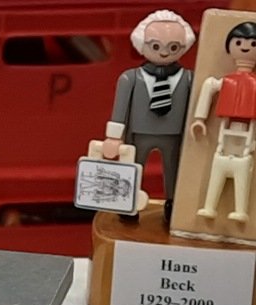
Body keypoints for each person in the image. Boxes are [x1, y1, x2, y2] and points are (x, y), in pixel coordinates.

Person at [101, 10, 196, 223]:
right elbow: (120, 108)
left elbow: (195, 107)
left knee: (174, 171)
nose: (164, 52)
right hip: (138, 134)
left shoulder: (189, 79)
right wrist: (114, 136)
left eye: (173, 47)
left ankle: (173, 204)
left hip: (174, 135)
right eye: (155, 46)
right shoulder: (130, 78)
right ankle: (127, 203)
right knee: (132, 168)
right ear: (141, 44)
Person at [191, 21, 256, 223]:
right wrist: (199, 118)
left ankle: (240, 211)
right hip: (223, 143)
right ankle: (209, 207)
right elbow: (209, 87)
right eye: (239, 42)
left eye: (253, 44)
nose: (245, 47)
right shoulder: (227, 81)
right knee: (217, 170)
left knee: (243, 174)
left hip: (246, 144)